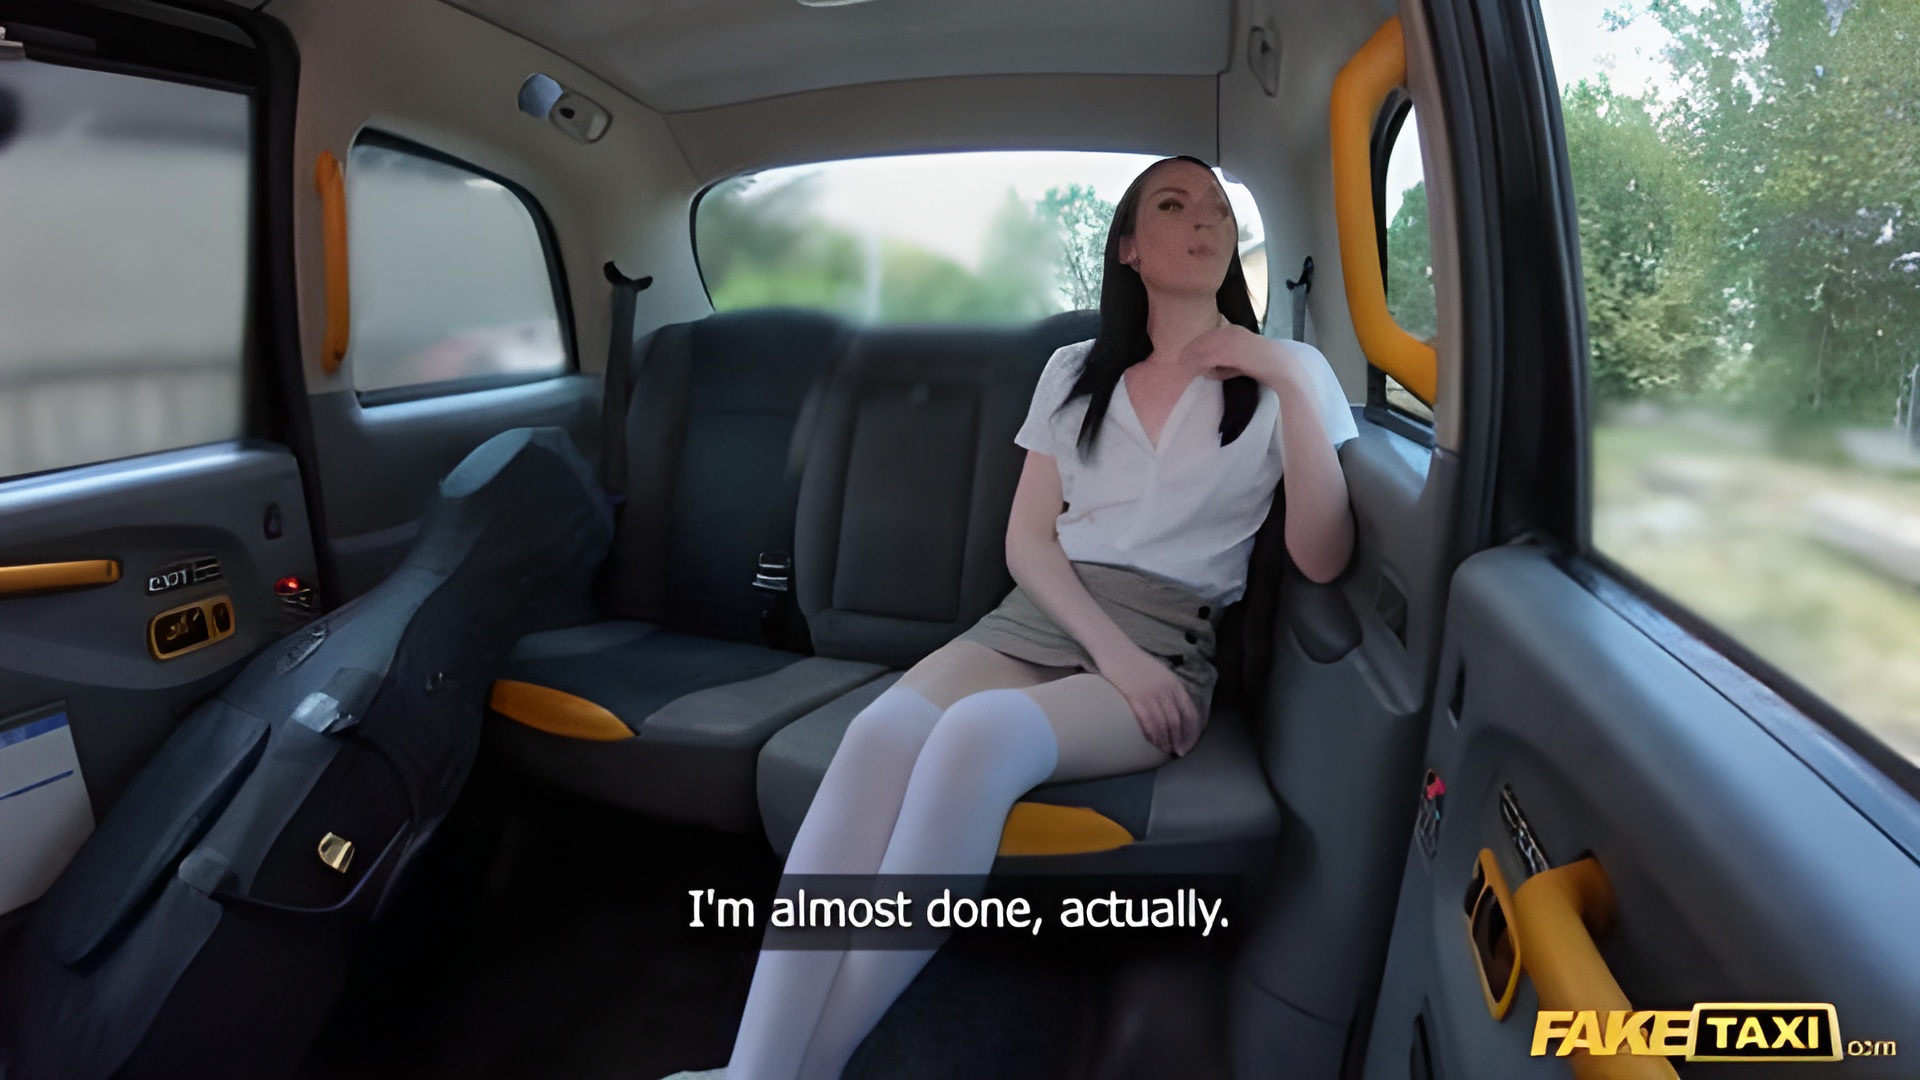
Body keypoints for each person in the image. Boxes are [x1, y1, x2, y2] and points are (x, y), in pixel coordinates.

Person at [663, 155, 1358, 1080]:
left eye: (1220, 209)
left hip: (1166, 636)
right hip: (1041, 612)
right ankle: (757, 1067)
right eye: (1174, 203)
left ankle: (787, 1071)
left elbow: (1323, 555)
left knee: (977, 737)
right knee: (878, 736)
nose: (1206, 219)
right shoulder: (1074, 370)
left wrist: (1283, 375)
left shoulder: (1292, 372)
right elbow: (1028, 541)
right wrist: (1108, 654)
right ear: (1128, 247)